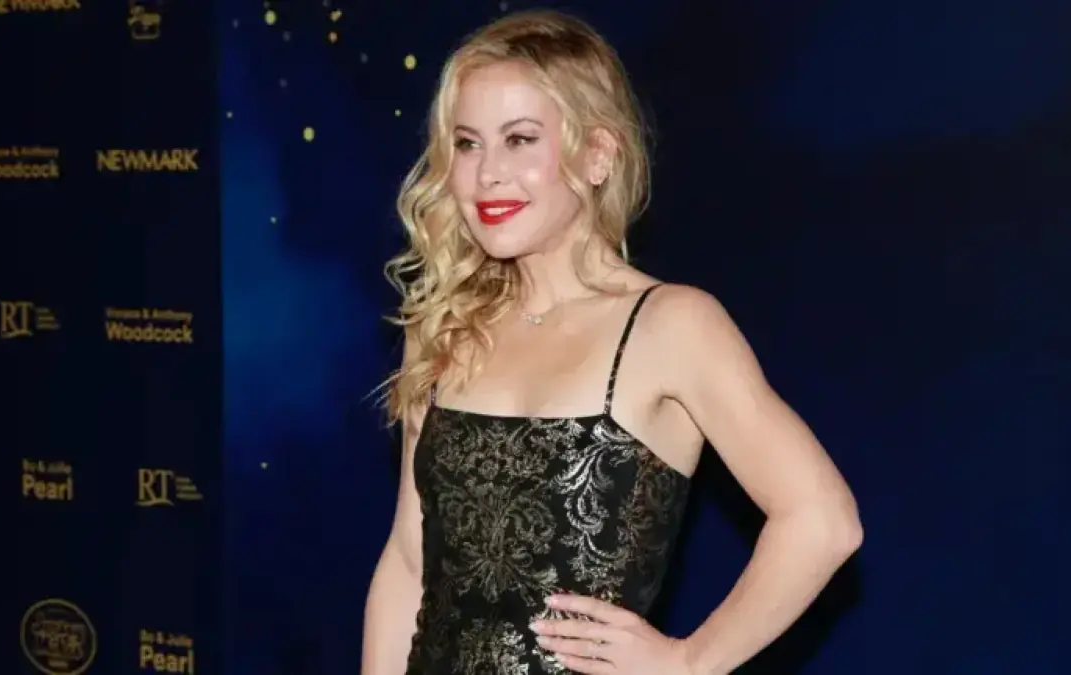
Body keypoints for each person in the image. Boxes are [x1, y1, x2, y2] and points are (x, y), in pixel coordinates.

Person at [362, 9, 862, 674]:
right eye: (468, 143)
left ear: (597, 154)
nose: (487, 174)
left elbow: (822, 520)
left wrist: (690, 662)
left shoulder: (671, 325)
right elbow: (408, 559)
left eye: (520, 139)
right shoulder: (446, 326)